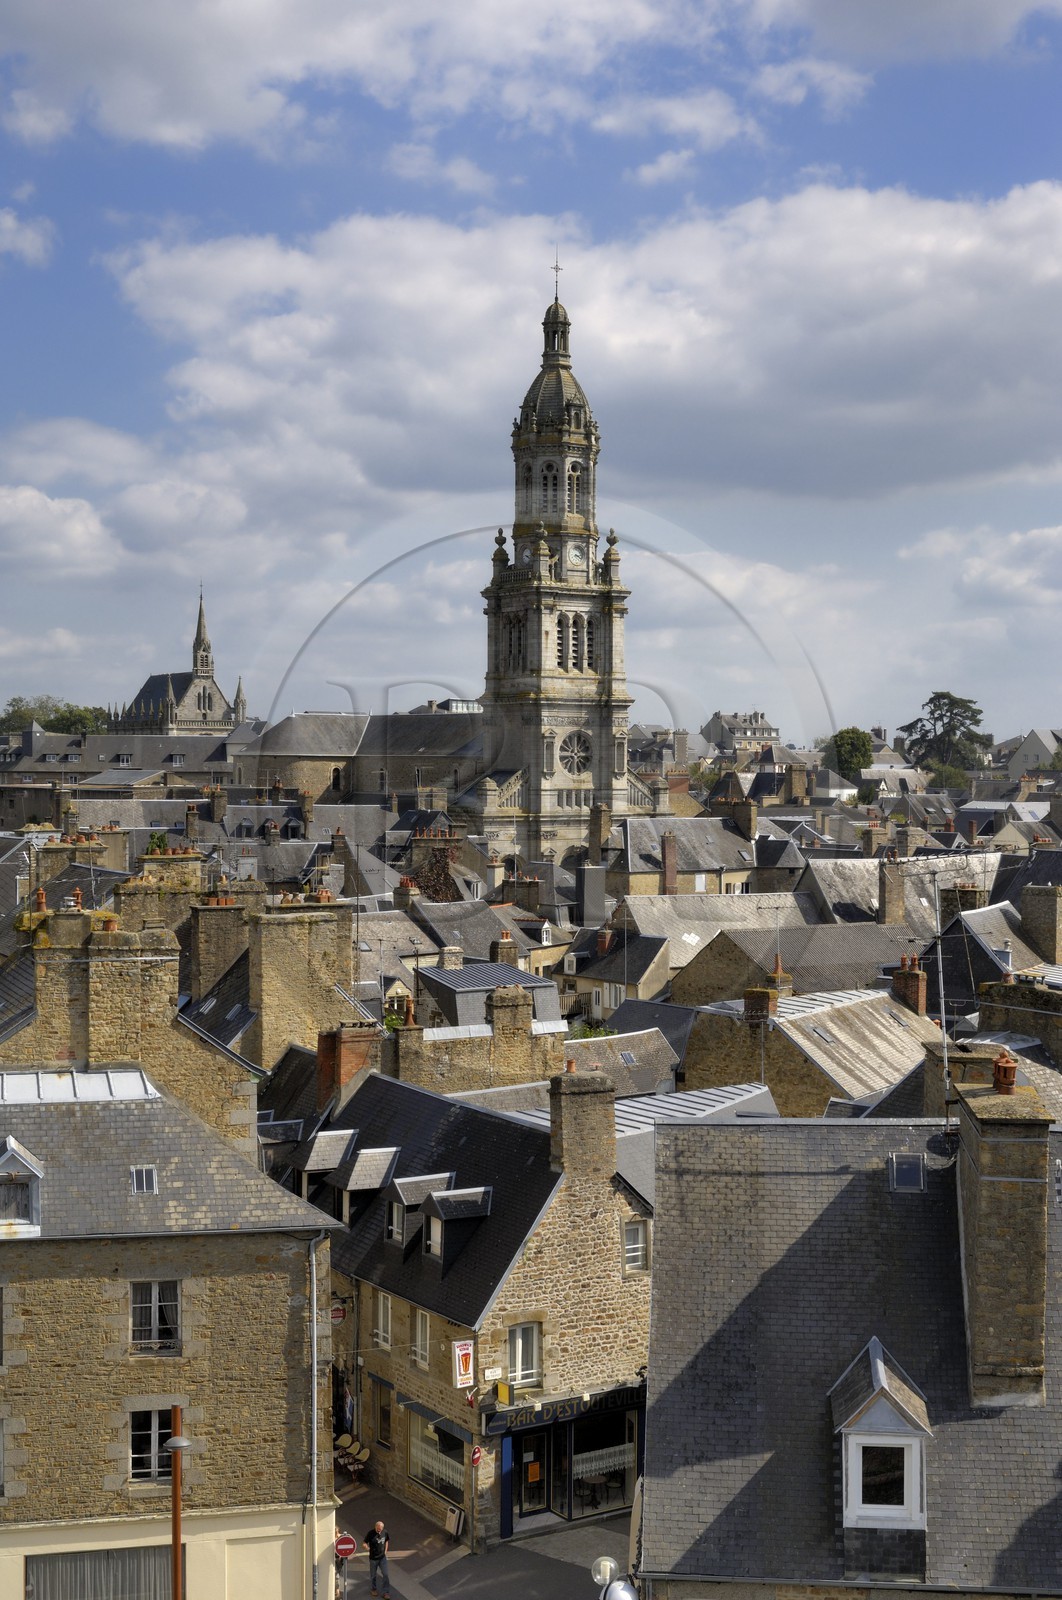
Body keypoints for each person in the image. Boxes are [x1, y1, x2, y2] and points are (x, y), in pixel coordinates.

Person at [365, 1520, 390, 1599]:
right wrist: (367, 1547)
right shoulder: (370, 1533)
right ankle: (373, 1589)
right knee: (373, 1575)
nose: (379, 1530)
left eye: (380, 1529)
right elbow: (364, 1542)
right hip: (373, 1559)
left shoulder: (385, 1532)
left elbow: (386, 1541)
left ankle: (385, 1592)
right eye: (378, 1528)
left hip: (382, 1558)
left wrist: (385, 1551)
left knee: (385, 1574)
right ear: (375, 1527)